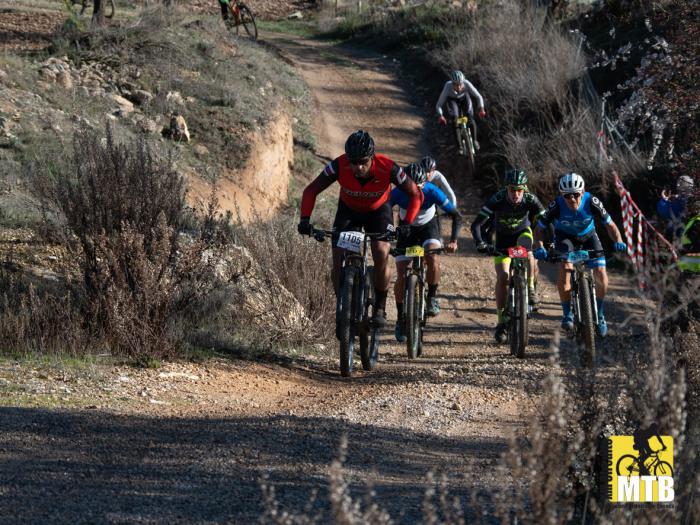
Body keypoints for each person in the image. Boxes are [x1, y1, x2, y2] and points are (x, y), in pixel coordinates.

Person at [298, 130, 422, 327]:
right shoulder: (339, 165)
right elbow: (311, 190)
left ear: (371, 157)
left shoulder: (387, 167)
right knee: (339, 257)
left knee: (381, 252)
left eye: (363, 161)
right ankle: (343, 305)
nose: (358, 166)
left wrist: (406, 224)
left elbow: (415, 194)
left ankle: (380, 306)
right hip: (349, 212)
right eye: (353, 162)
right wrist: (305, 219)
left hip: (378, 212)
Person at [533, 172, 627, 337]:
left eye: (576, 195)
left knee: (601, 274)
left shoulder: (592, 201)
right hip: (564, 238)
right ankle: (566, 314)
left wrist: (618, 240)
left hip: (588, 237)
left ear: (582, 192)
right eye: (567, 196)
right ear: (562, 195)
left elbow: (610, 224)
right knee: (565, 269)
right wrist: (539, 246)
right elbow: (539, 228)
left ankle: (600, 314)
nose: (572, 199)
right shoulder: (556, 205)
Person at [471, 168, 546, 343]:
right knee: (503, 277)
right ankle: (501, 322)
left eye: (519, 190)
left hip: (522, 234)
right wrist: (480, 243)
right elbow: (476, 225)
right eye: (513, 190)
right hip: (502, 239)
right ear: (507, 189)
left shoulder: (530, 199)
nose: (516, 194)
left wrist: (547, 243)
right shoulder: (497, 199)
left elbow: (545, 222)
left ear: (524, 189)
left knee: (527, 252)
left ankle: (531, 289)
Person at [391, 163, 462, 342]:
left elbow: (456, 215)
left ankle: (431, 297)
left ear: (425, 182)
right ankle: (400, 318)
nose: (417, 190)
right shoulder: (399, 192)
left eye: (421, 185)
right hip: (406, 231)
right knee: (401, 274)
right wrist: (390, 230)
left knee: (432, 257)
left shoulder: (432, 191)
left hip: (428, 228)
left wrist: (453, 241)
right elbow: (383, 209)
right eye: (413, 186)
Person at [435, 70, 486, 155]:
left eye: (460, 84)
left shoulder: (467, 83)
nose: (458, 87)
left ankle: (475, 141)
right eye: (455, 85)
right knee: (455, 122)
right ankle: (459, 147)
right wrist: (441, 115)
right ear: (452, 83)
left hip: (464, 99)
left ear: (463, 82)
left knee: (470, 118)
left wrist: (481, 108)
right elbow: (439, 104)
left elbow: (478, 96)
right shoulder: (447, 86)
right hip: (452, 101)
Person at [657, 174, 694, 242]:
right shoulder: (687, 198)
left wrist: (664, 199)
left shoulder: (681, 201)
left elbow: (663, 210)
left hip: (680, 235)